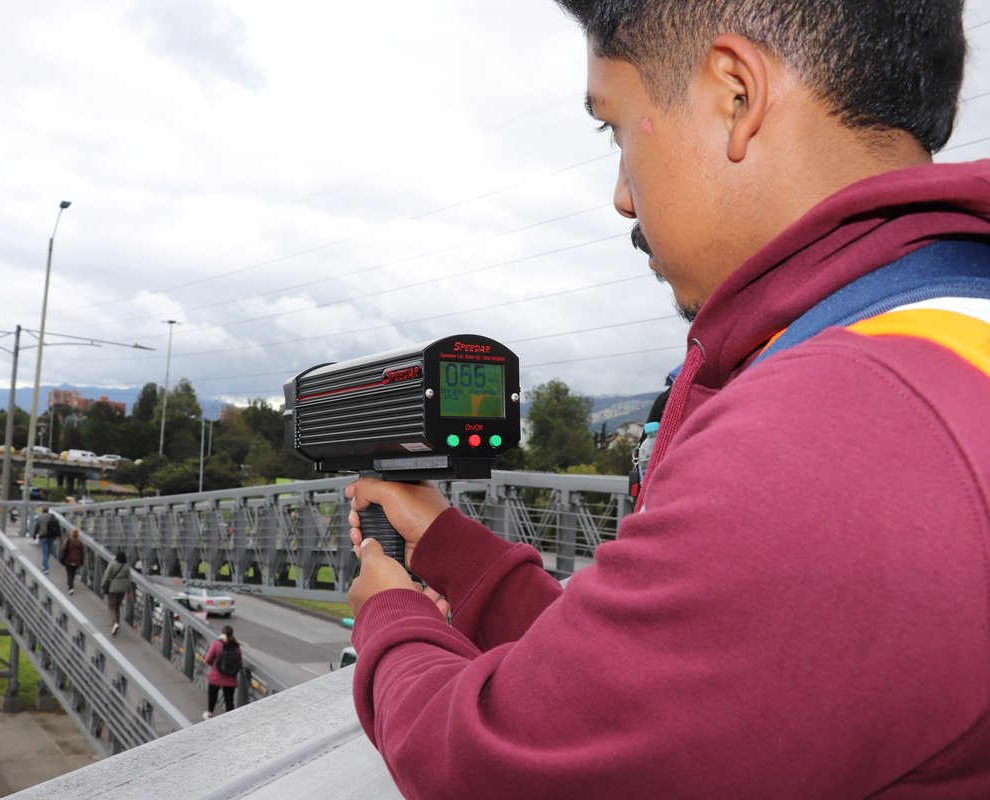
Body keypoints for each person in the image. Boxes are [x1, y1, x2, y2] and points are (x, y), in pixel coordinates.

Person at [344, 2, 990, 797]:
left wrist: (391, 615)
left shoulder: (832, 432)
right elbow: (688, 674)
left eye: (614, 131)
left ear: (736, 94)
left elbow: (489, 769)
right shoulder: (929, 339)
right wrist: (457, 552)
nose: (622, 195)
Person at [201, 625, 242, 720]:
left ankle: (210, 714)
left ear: (222, 633)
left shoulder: (217, 644)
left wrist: (213, 665)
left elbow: (208, 659)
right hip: (231, 679)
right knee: (229, 700)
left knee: (212, 696)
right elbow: (239, 662)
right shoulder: (236, 646)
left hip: (216, 676)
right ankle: (230, 719)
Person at [100, 549, 131, 636]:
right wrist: (129, 591)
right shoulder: (126, 567)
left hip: (112, 589)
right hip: (122, 590)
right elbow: (129, 580)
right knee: (117, 606)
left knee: (111, 607)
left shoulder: (112, 564)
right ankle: (118, 623)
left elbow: (106, 575)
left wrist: (102, 585)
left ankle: (114, 623)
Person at [33, 505, 60, 574]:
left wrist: (34, 534)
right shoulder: (52, 516)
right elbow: (57, 525)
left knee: (45, 552)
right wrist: (59, 535)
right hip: (51, 536)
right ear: (48, 510)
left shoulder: (40, 517)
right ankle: (45, 564)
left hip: (43, 536)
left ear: (42, 510)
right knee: (48, 551)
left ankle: (45, 567)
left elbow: (37, 527)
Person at [59, 528, 85, 596]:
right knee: (72, 573)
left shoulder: (69, 541)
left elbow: (63, 548)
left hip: (69, 560)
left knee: (69, 573)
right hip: (77, 561)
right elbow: (82, 553)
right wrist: (81, 562)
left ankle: (71, 587)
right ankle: (70, 585)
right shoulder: (80, 542)